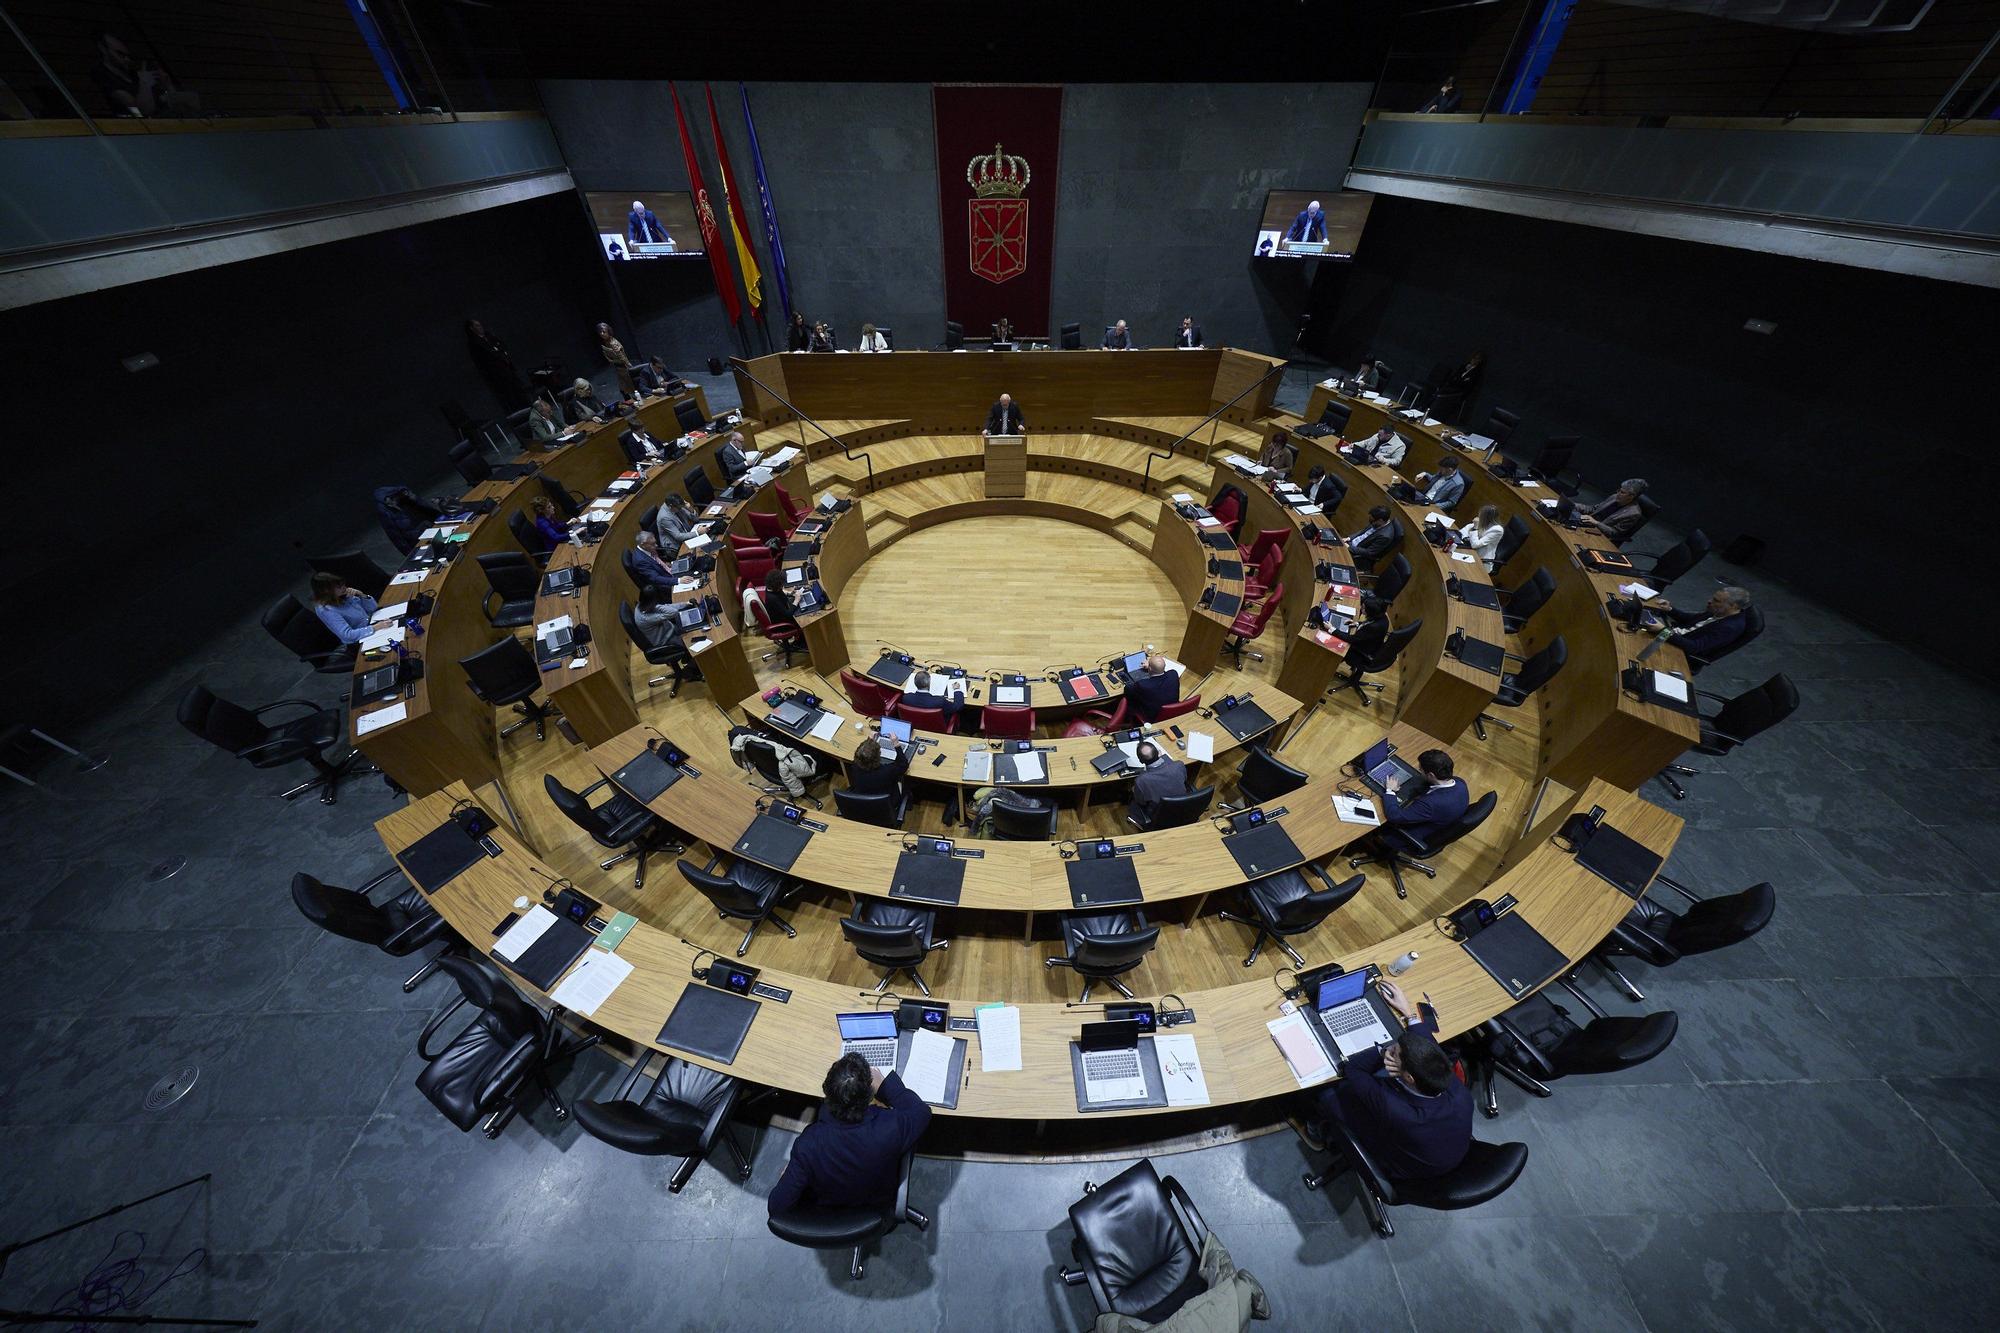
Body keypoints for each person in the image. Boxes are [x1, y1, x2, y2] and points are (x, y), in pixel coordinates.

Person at [1302, 979, 1471, 1180]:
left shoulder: (1395, 1108)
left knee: (1328, 1092)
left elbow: (1352, 1069)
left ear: (1408, 1077)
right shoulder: (1449, 1083)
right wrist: (1408, 1013)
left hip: (1406, 1169)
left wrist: (1382, 1052)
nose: (1392, 1047)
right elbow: (1429, 1049)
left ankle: (1315, 1132)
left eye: (1395, 1051)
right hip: (1442, 1150)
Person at [769, 1054, 931, 1217]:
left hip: (828, 1214)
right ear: (869, 1096)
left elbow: (777, 1207)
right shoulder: (890, 1127)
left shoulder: (808, 1145)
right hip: (877, 1209)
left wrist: (787, 1179)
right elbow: (921, 1111)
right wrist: (884, 1085)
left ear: (827, 1094)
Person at [92, 31, 198, 117]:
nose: (127, 60)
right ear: (103, 49)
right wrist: (145, 83)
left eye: (128, 56)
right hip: (136, 127)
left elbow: (171, 101)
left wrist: (167, 85)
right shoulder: (103, 76)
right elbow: (141, 112)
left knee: (191, 98)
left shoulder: (132, 73)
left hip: (164, 121)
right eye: (120, 54)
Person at [1383, 749, 1469, 843]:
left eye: (1421, 770)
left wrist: (1390, 790)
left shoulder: (1430, 804)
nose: (1419, 771)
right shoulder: (1460, 783)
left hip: (1413, 836)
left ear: (1431, 775)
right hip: (1442, 823)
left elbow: (1394, 816)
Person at [1658, 586, 1755, 663]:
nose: (1709, 601)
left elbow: (1694, 647)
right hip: (1671, 634)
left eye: (1716, 601)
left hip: (1677, 650)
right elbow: (1691, 619)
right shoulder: (1720, 611)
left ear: (1733, 606)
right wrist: (1670, 609)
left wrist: (1663, 631)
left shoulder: (1729, 628)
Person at [464, 318, 528, 412]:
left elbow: (502, 346)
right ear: (471, 328)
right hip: (498, 375)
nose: (480, 327)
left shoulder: (489, 335)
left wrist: (502, 354)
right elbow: (483, 360)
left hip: (508, 368)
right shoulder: (474, 343)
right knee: (511, 396)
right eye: (477, 325)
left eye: (480, 324)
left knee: (520, 391)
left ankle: (530, 409)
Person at [1129, 741, 1190, 827]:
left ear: (1141, 761)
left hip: (1159, 814)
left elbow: (1141, 802)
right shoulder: (1178, 765)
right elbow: (1184, 779)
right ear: (1158, 753)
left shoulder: (1141, 781)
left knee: (1133, 799)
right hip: (1182, 806)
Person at [309, 572, 379, 645]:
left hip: (371, 627)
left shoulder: (343, 596)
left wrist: (362, 595)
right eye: (339, 587)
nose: (344, 588)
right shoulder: (326, 610)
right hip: (359, 641)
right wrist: (374, 628)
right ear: (326, 591)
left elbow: (373, 608)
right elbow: (347, 635)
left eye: (343, 585)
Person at [373, 486, 442, 557]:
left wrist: (412, 496)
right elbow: (396, 537)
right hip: (417, 541)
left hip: (431, 529)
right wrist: (409, 554)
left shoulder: (405, 498)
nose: (394, 502)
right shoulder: (385, 512)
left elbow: (426, 508)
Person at [1580, 479, 1648, 542]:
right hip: (1587, 524)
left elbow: (1614, 532)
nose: (1617, 493)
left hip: (1599, 535)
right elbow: (1594, 509)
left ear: (1631, 496)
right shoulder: (1614, 497)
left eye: (1622, 492)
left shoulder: (1633, 513)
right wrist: (1574, 505)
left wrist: (1595, 522)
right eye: (1619, 490)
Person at [1124, 654, 1181, 723]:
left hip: (1153, 717)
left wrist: (1150, 668)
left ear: (1149, 668)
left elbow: (1127, 688)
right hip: (1173, 711)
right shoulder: (1173, 674)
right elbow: (1163, 672)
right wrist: (1154, 667)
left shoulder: (1143, 685)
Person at [1340, 592, 1391, 659]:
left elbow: (1351, 639)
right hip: (1371, 644)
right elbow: (1369, 623)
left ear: (1370, 611)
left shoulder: (1373, 627)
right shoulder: (1381, 616)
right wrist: (1357, 623)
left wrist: (1332, 629)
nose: (1361, 608)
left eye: (1363, 608)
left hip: (1362, 651)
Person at [1457, 503, 1505, 571]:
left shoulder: (1497, 530)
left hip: (1481, 561)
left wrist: (1475, 528)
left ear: (1487, 518)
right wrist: (1465, 537)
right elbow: (1464, 530)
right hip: (1470, 552)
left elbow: (1475, 545)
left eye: (1481, 515)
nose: (1478, 516)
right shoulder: (1485, 522)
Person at [597, 322, 636, 397]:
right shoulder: (607, 341)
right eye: (600, 332)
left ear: (608, 331)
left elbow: (622, 358)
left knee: (629, 388)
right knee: (624, 389)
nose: (602, 334)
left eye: (604, 332)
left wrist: (628, 365)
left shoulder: (613, 343)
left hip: (623, 368)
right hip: (619, 368)